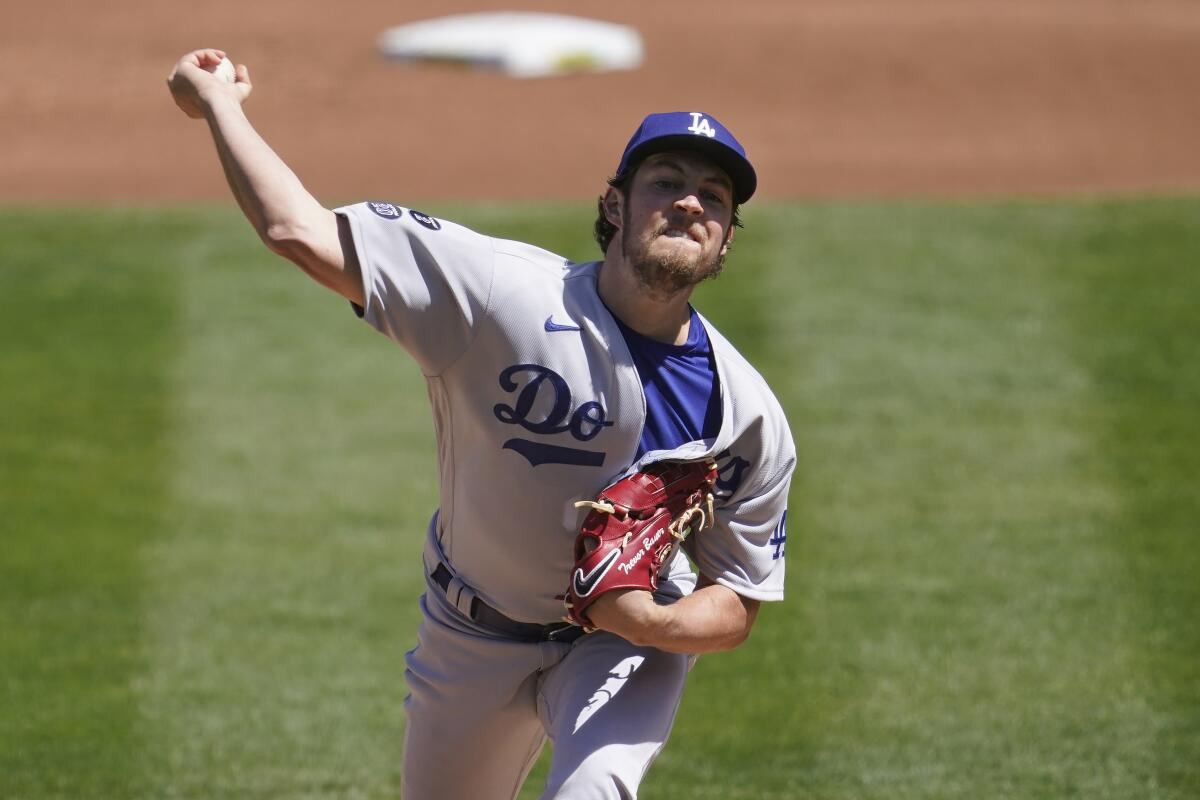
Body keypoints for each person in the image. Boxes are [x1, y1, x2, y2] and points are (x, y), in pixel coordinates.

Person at [167, 48, 795, 799]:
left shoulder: (746, 414)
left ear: (726, 239)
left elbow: (737, 599)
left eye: (715, 197)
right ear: (616, 206)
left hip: (618, 651)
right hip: (470, 635)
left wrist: (647, 623)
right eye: (666, 183)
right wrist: (217, 103)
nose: (692, 204)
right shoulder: (499, 293)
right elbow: (295, 229)